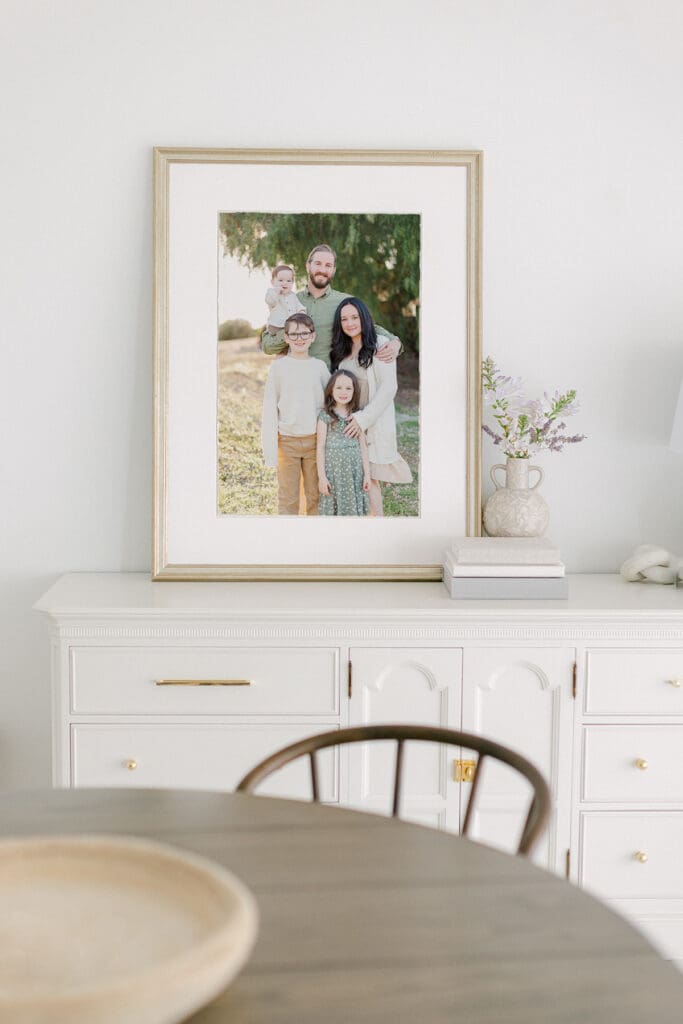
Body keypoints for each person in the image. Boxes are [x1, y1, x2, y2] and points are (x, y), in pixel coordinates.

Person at [331, 297, 412, 517]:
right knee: (353, 477)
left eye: (354, 317)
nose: (349, 323)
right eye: (344, 319)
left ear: (364, 318)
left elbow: (389, 387)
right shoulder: (341, 351)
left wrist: (363, 420)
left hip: (370, 422)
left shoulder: (380, 344)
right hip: (348, 425)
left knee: (370, 478)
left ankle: (377, 527)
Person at [262, 244, 401, 366]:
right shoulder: (287, 301)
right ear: (307, 266)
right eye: (317, 263)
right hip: (296, 382)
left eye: (328, 265)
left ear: (333, 270)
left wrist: (395, 343)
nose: (322, 269)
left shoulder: (345, 302)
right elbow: (267, 346)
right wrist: (293, 331)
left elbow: (370, 327)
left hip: (330, 385)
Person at [261, 312, 330, 515]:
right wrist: (270, 451)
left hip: (315, 443)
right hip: (287, 442)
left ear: (313, 336)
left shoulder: (319, 367)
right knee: (288, 498)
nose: (299, 338)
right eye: (293, 334)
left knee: (315, 496)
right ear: (286, 337)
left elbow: (329, 405)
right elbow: (269, 409)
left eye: (304, 333)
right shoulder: (278, 368)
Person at [317, 370, 371, 517]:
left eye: (348, 388)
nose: (343, 392)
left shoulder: (357, 416)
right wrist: (322, 477)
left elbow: (363, 447)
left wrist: (367, 475)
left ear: (354, 391)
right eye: (339, 387)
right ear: (331, 390)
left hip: (355, 472)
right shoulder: (325, 416)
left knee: (354, 511)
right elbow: (320, 447)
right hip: (334, 472)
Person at [264, 263, 305, 331]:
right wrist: (276, 292)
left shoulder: (293, 295)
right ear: (272, 282)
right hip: (276, 325)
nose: (285, 283)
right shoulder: (272, 292)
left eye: (288, 281)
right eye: (280, 280)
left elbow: (299, 306)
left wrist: (301, 312)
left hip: (290, 325)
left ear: (292, 283)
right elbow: (270, 302)